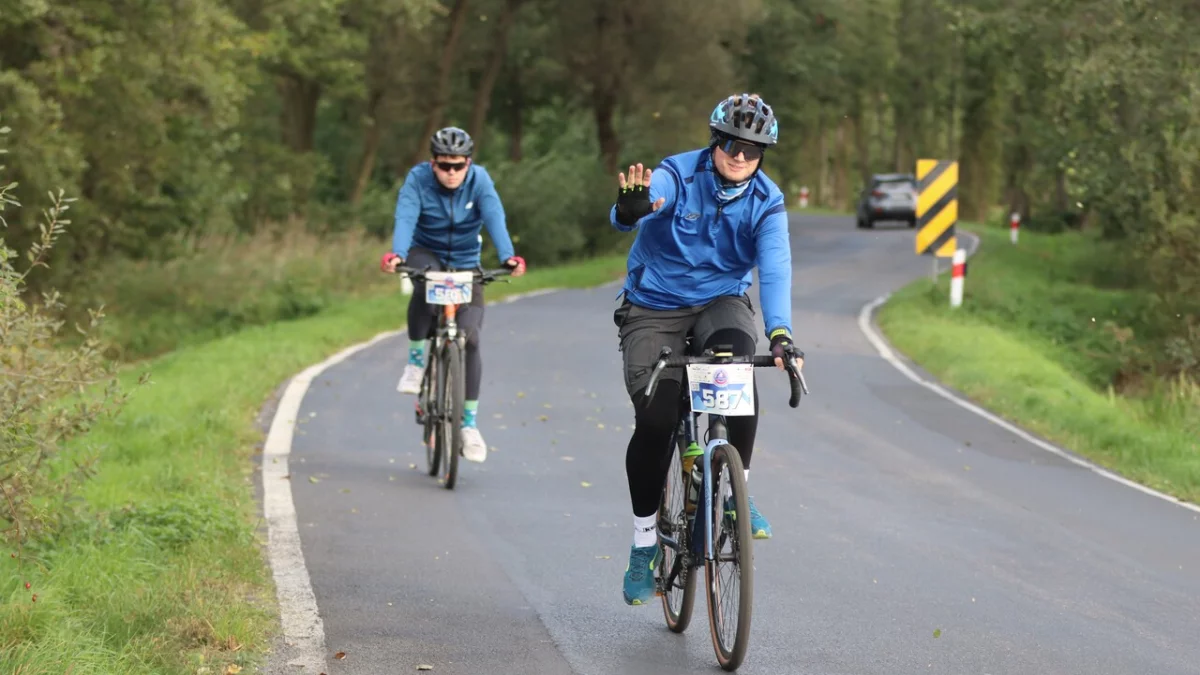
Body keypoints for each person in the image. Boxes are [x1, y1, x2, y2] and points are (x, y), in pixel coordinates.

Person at [608, 93, 804, 605]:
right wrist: (630, 210)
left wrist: (781, 333)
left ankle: (738, 492)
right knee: (654, 422)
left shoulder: (767, 200)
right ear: (716, 140)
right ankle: (643, 544)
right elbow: (652, 197)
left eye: (753, 149)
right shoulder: (679, 173)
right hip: (654, 304)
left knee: (739, 365)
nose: (741, 156)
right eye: (733, 144)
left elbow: (776, 268)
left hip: (721, 301)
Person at [381, 126, 526, 463]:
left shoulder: (480, 181)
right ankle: (416, 363)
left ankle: (469, 425)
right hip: (425, 251)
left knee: (471, 338)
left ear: (468, 163)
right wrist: (397, 253)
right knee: (425, 283)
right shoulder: (417, 179)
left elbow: (494, 217)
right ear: (432, 163)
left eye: (457, 166)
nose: (450, 173)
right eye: (443, 166)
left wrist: (508, 255)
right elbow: (405, 216)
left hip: (465, 261)